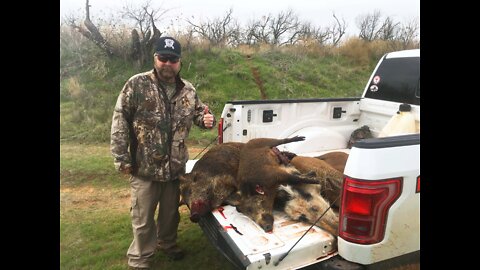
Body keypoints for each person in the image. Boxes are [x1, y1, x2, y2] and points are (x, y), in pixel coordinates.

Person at [110, 36, 216, 270]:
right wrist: (121, 158)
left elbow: (199, 114)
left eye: (173, 59)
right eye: (163, 58)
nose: (167, 63)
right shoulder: (136, 84)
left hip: (175, 168)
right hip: (144, 168)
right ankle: (140, 258)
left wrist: (207, 119)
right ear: (155, 58)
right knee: (143, 218)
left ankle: (167, 244)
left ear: (180, 62)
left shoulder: (188, 90)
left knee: (170, 215)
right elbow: (120, 122)